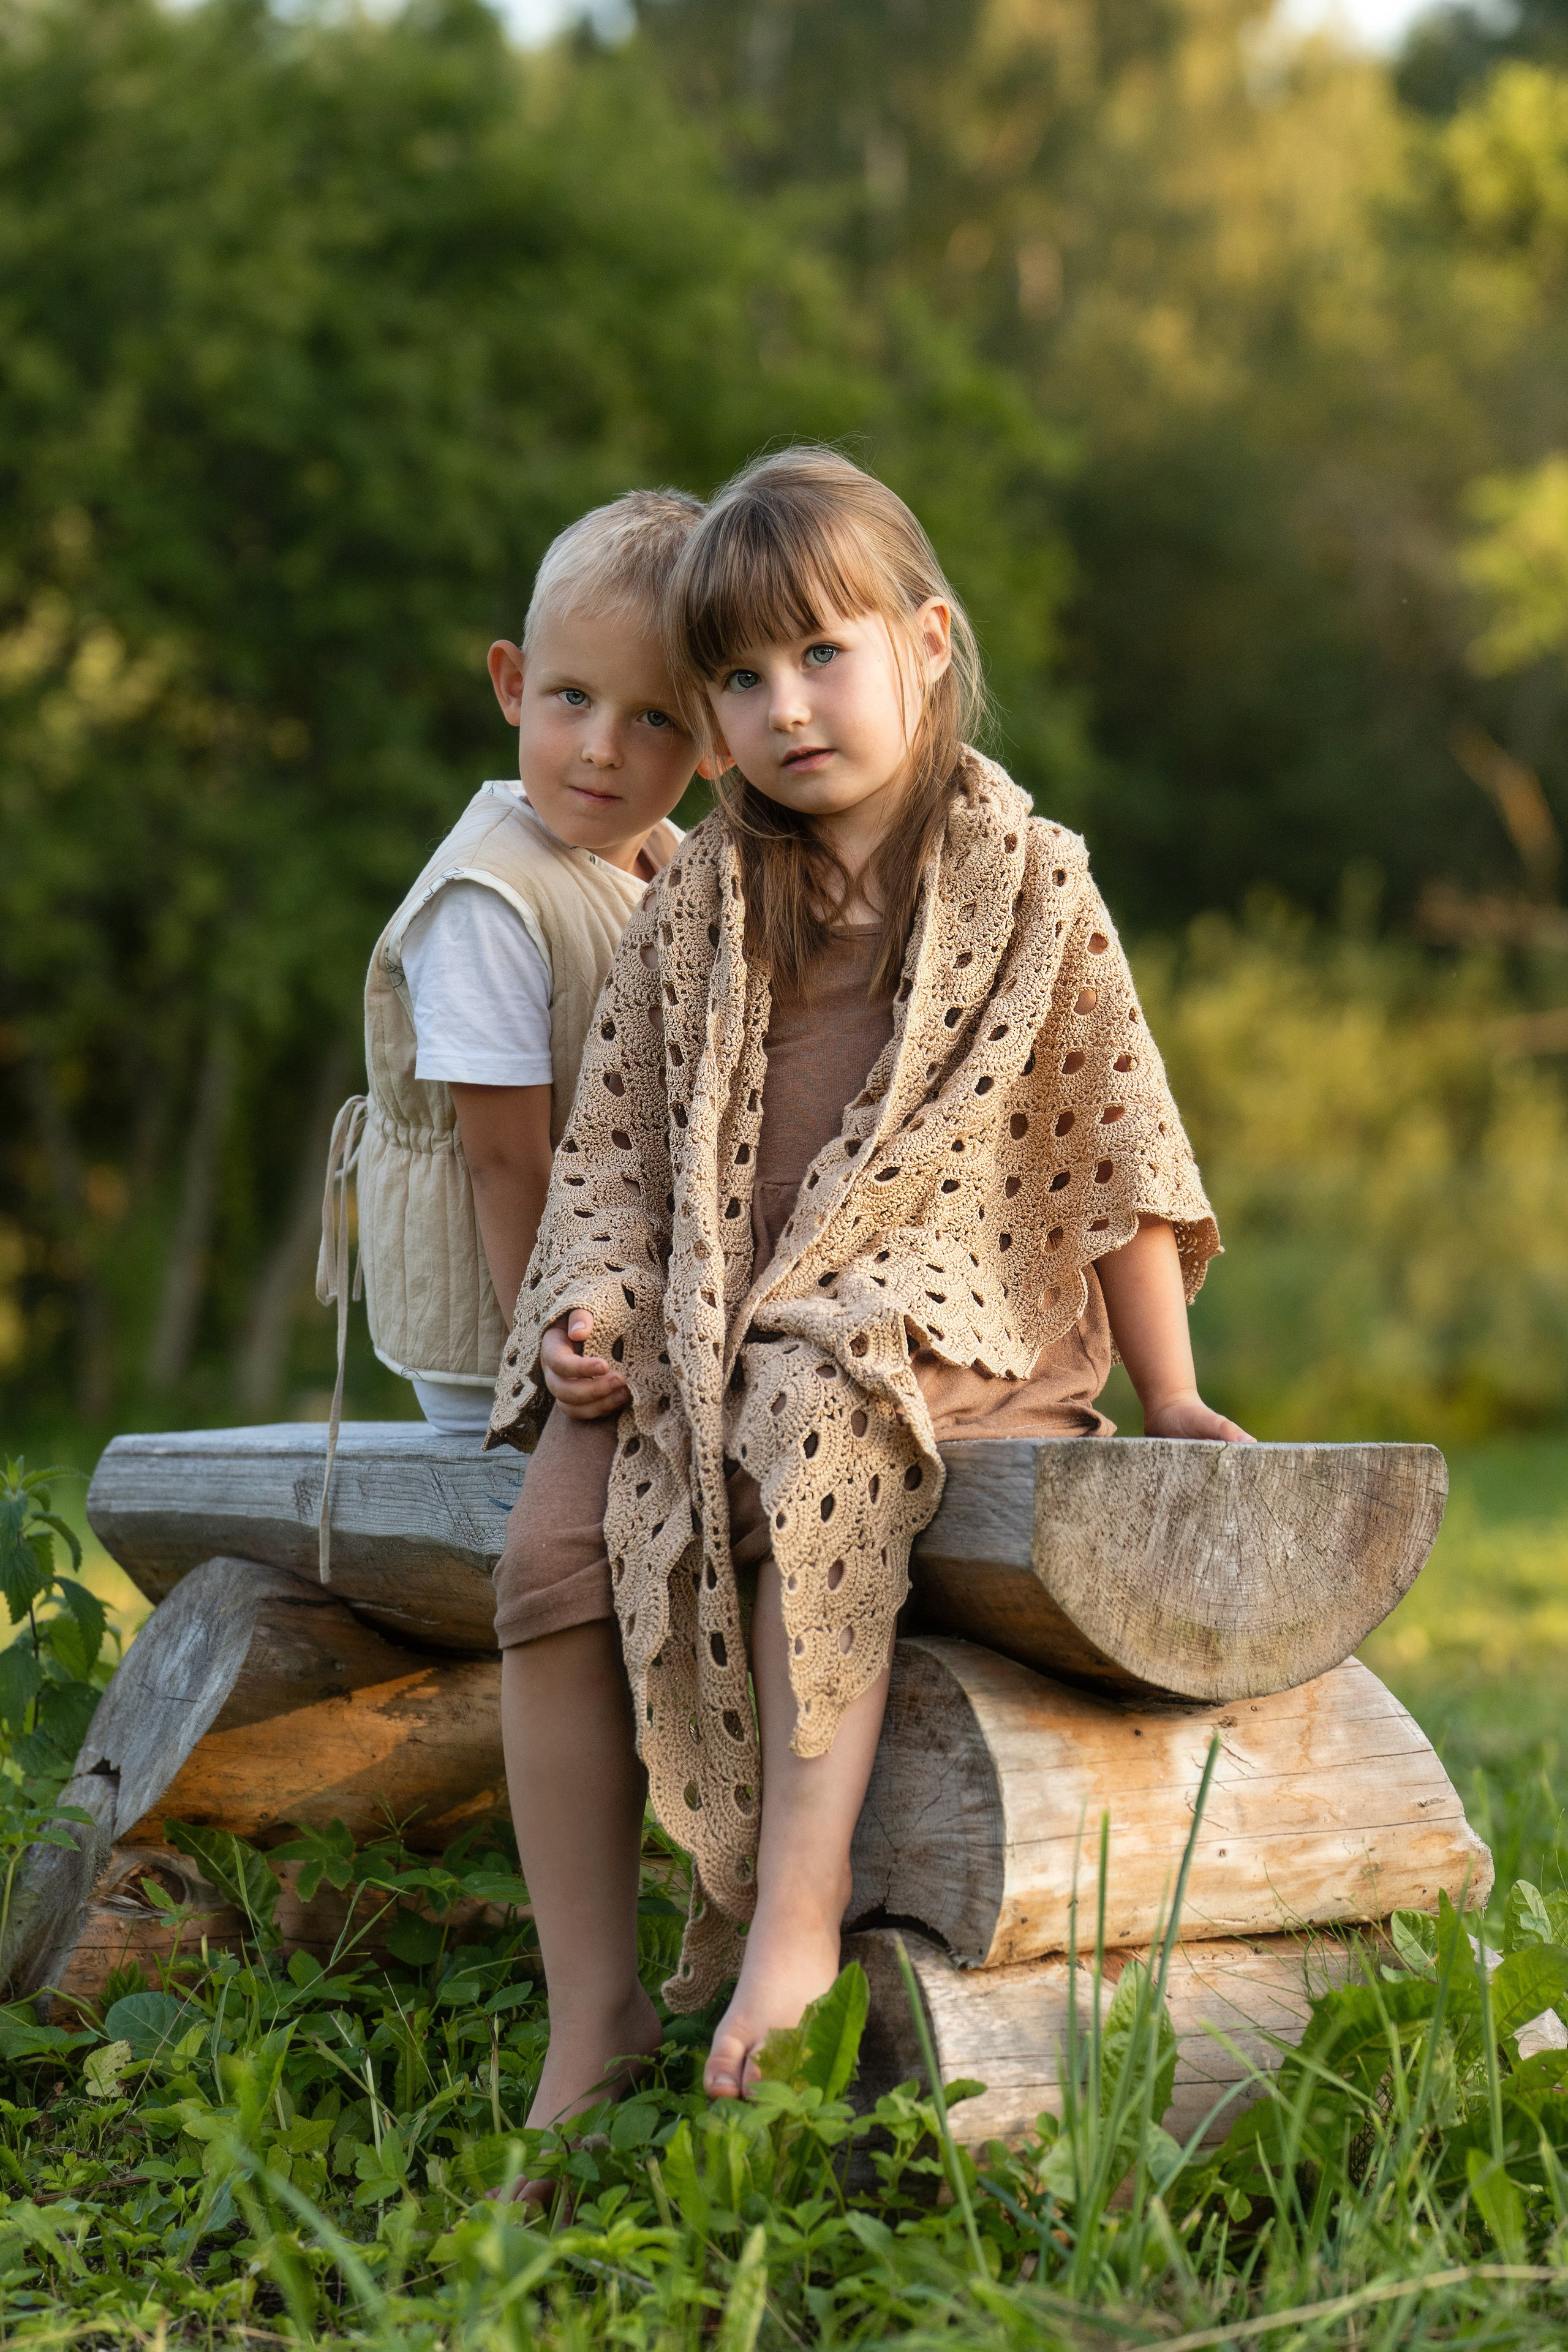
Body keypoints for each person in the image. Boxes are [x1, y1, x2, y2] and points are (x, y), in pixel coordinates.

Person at [483, 445, 1250, 2147]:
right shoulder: (697, 901)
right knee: (550, 1538)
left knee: (806, 1418)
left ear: (927, 639)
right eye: (740, 679)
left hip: (950, 1327)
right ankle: (590, 2009)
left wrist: (1174, 1388)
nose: (784, 707)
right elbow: (611, 1157)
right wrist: (596, 1307)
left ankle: (795, 1921)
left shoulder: (1028, 885)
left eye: (822, 654)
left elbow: (1111, 1142)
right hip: (712, 1329)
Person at [317, 489, 706, 1465]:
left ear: (716, 744)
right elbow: (504, 1161)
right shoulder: (490, 901)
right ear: (512, 683)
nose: (601, 747)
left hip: (617, 1295)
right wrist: (545, 1341)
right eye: (572, 698)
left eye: (654, 717)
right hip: (502, 1340)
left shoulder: (674, 860)